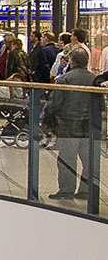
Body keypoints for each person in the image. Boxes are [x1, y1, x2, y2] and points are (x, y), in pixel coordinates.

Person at [49, 47, 97, 199]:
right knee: (88, 158)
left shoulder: (65, 79)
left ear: (72, 61)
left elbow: (54, 103)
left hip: (68, 125)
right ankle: (85, 189)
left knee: (67, 158)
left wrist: (45, 117)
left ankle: (66, 190)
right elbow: (100, 106)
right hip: (89, 124)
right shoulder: (94, 79)